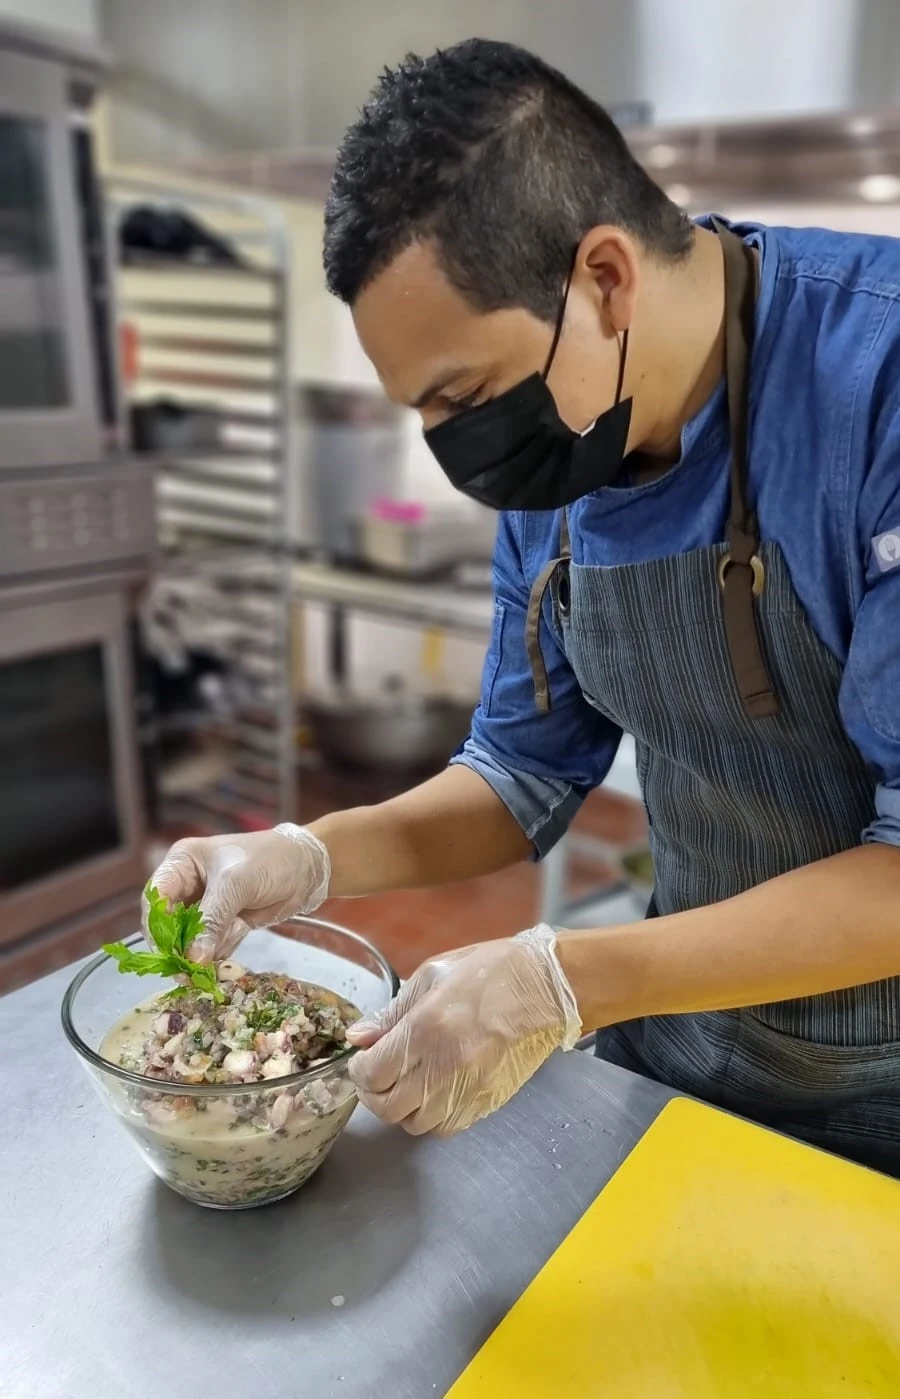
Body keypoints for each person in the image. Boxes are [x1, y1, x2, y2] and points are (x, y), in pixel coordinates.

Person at [149, 39, 900, 1175]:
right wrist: (304, 855)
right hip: (688, 1050)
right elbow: (521, 773)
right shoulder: (562, 448)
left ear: (604, 278)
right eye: (426, 411)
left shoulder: (876, 389)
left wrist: (561, 979)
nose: (458, 448)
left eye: (466, 396)